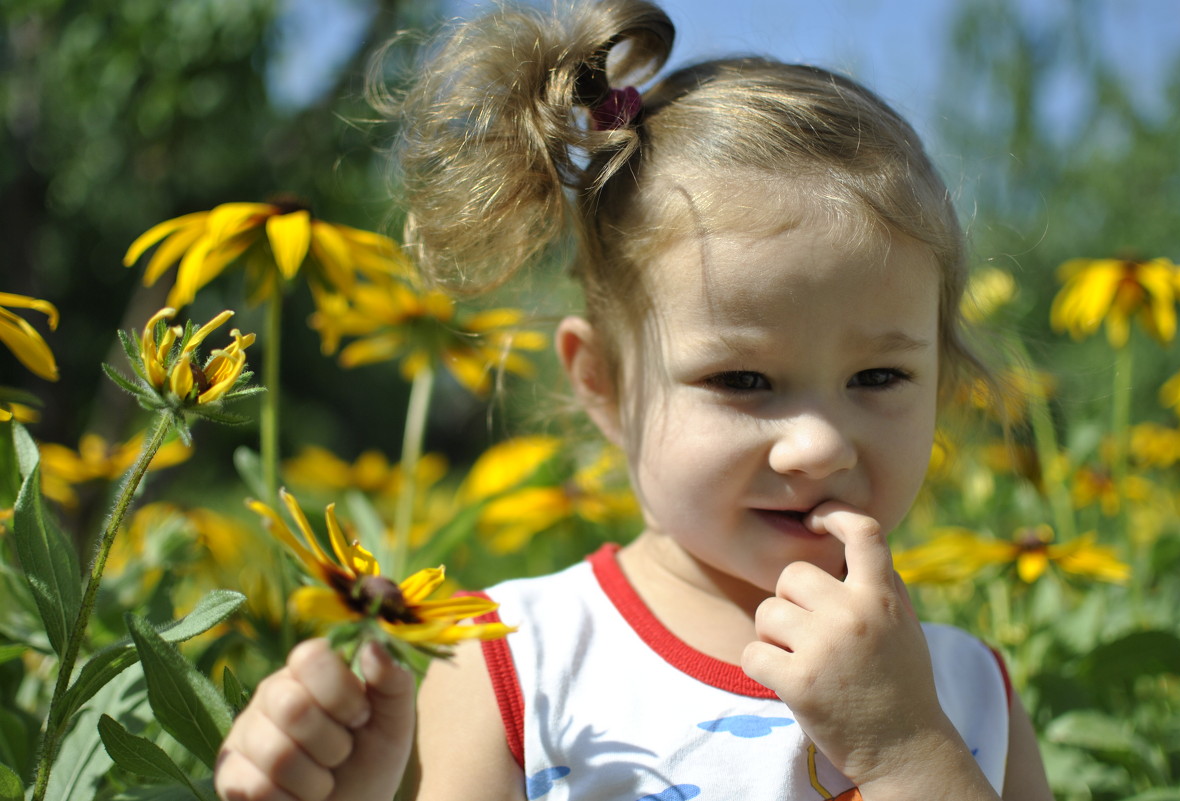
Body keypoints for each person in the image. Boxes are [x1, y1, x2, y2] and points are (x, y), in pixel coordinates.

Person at [214, 1, 1054, 799]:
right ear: (601, 384)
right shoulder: (512, 665)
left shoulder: (970, 693)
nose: (818, 444)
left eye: (878, 377)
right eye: (742, 380)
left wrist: (906, 749)